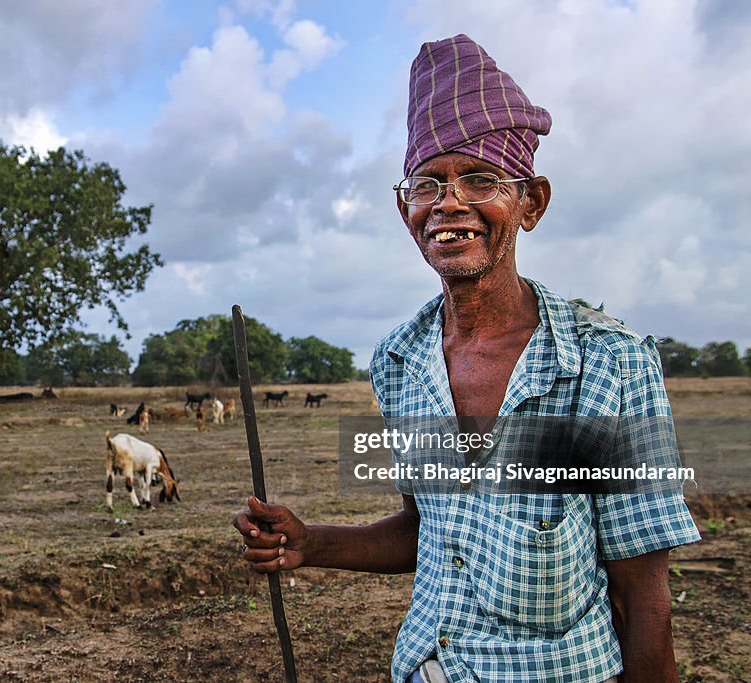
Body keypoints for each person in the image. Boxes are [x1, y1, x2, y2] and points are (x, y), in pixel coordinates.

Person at [233, 34, 700, 683]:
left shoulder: (608, 363)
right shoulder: (399, 360)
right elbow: (430, 527)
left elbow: (642, 594)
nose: (449, 202)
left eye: (480, 178)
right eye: (428, 183)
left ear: (530, 202)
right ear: (406, 209)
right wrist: (312, 541)